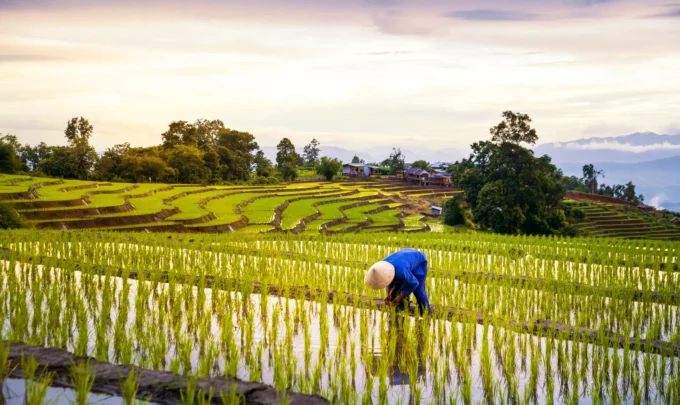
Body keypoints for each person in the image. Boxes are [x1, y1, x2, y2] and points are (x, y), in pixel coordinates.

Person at [364, 248, 430, 314]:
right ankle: (401, 308)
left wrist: (399, 298)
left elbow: (414, 283)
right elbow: (388, 278)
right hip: (404, 257)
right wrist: (388, 294)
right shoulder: (383, 266)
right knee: (396, 288)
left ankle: (426, 313)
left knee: (419, 291)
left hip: (419, 261)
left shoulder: (400, 271)